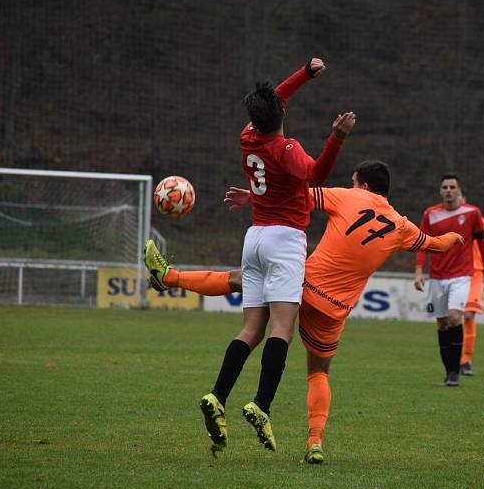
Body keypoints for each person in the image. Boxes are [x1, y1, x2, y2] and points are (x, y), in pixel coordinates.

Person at [145, 160, 464, 463]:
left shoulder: (348, 196)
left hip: (304, 283)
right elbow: (436, 244)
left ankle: (170, 277)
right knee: (318, 373)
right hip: (334, 310)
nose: (351, 184)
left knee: (241, 281)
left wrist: (252, 197)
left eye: (353, 181)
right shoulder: (403, 226)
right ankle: (314, 443)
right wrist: (456, 237)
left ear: (363, 185)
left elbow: (293, 196)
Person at [146, 57, 355, 454]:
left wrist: (305, 74)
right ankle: (261, 404)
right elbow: (317, 176)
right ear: (280, 114)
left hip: (255, 236)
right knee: (282, 330)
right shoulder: (286, 148)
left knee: (250, 330)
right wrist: (337, 138)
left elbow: (275, 99)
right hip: (284, 242)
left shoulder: (249, 136)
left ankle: (217, 395)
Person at [413, 174, 484, 386]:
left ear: (459, 191)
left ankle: (455, 373)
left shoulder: (472, 213)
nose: (449, 190)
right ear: (441, 191)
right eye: (445, 187)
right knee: (442, 324)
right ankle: (449, 372)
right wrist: (418, 271)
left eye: (452, 187)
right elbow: (422, 243)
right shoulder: (430, 214)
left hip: (462, 276)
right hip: (436, 277)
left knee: (454, 318)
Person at [459, 195, 484, 376]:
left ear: (464, 198)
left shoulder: (476, 217)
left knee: (468, 314)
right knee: (452, 317)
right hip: (455, 272)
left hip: (475, 271)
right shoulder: (446, 219)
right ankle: (455, 359)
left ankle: (466, 359)